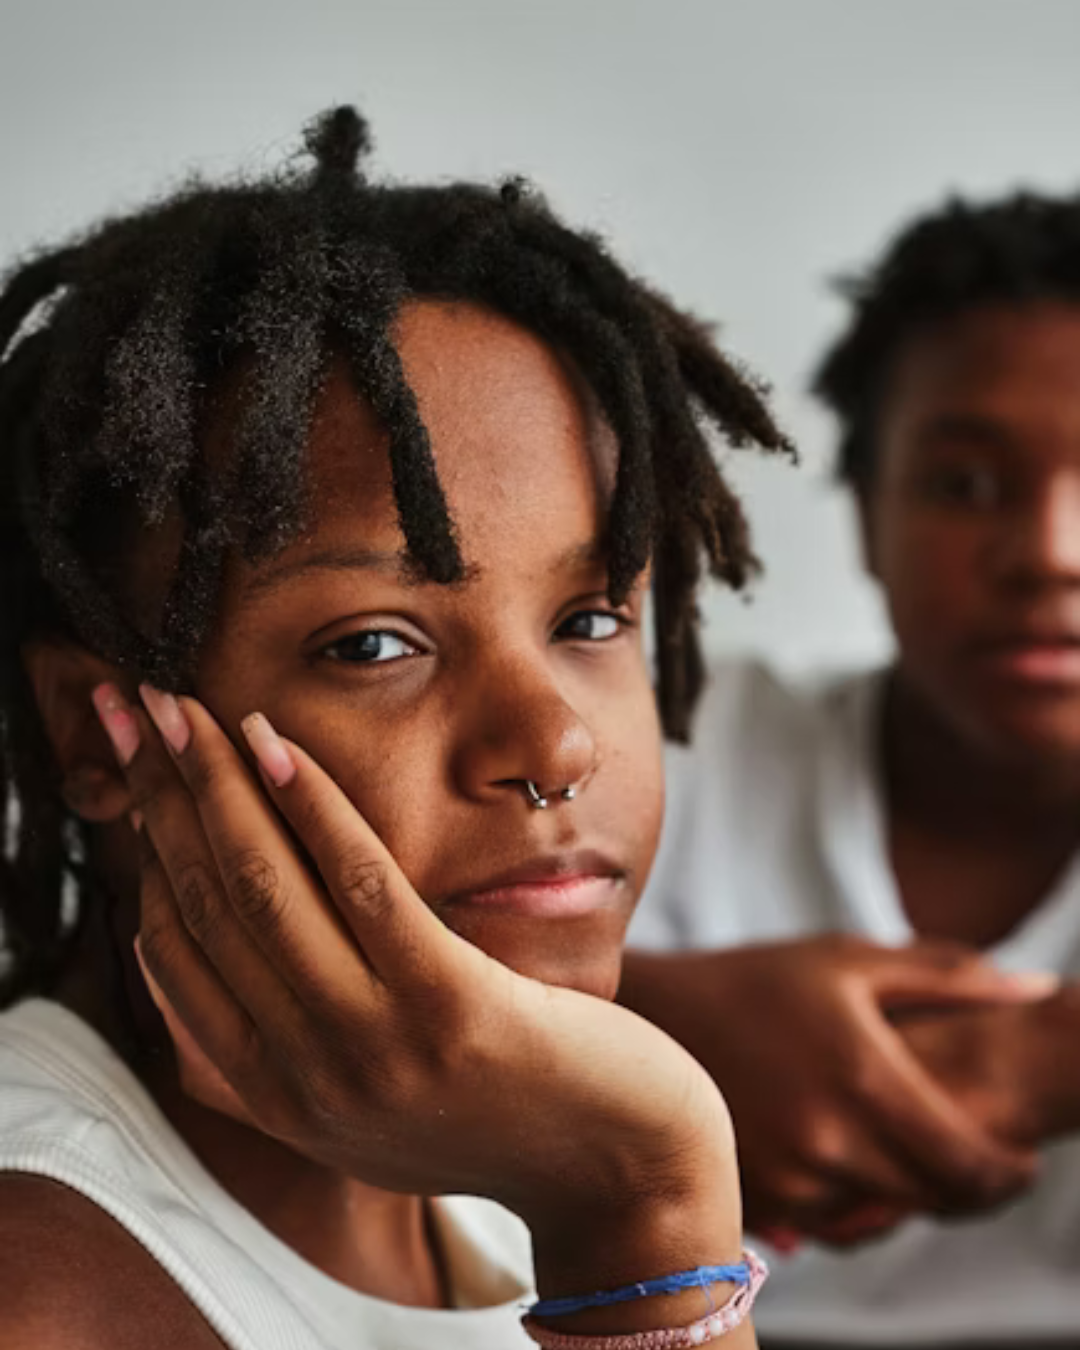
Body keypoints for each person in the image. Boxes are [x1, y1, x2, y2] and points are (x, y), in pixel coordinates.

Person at [0, 106, 790, 1349]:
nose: (554, 747)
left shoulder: (468, 1158)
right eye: (374, 644)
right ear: (99, 736)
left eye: (590, 620)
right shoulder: (46, 1284)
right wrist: (641, 1205)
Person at [622, 189, 1080, 1348]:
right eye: (966, 485)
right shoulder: (677, 737)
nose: (1049, 554)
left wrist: (1035, 1063)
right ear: (868, 517)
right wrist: (649, 1034)